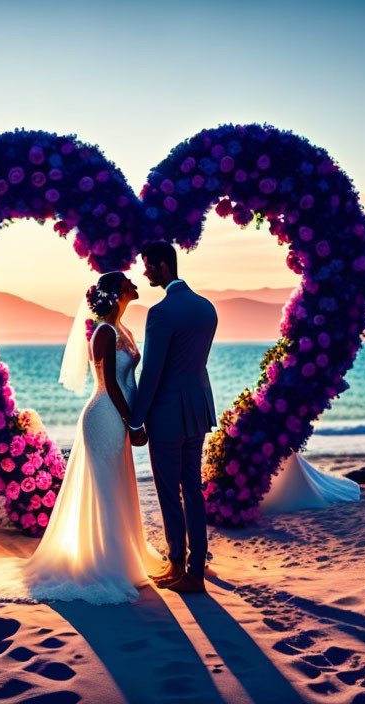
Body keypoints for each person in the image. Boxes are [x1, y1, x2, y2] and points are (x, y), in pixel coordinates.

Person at [0, 272, 162, 604]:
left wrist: (139, 415)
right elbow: (110, 384)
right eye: (127, 283)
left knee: (118, 483)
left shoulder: (124, 330)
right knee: (105, 486)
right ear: (117, 293)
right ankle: (105, 563)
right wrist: (132, 423)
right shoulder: (103, 332)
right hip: (106, 416)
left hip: (121, 415)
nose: (134, 284)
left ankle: (122, 557)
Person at [129, 241, 218, 594]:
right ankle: (194, 569)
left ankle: (178, 564)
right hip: (197, 410)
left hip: (167, 414)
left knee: (169, 491)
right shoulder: (206, 308)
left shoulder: (161, 312)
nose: (146, 272)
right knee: (192, 489)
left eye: (149, 265)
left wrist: (136, 420)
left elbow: (152, 372)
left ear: (165, 266)